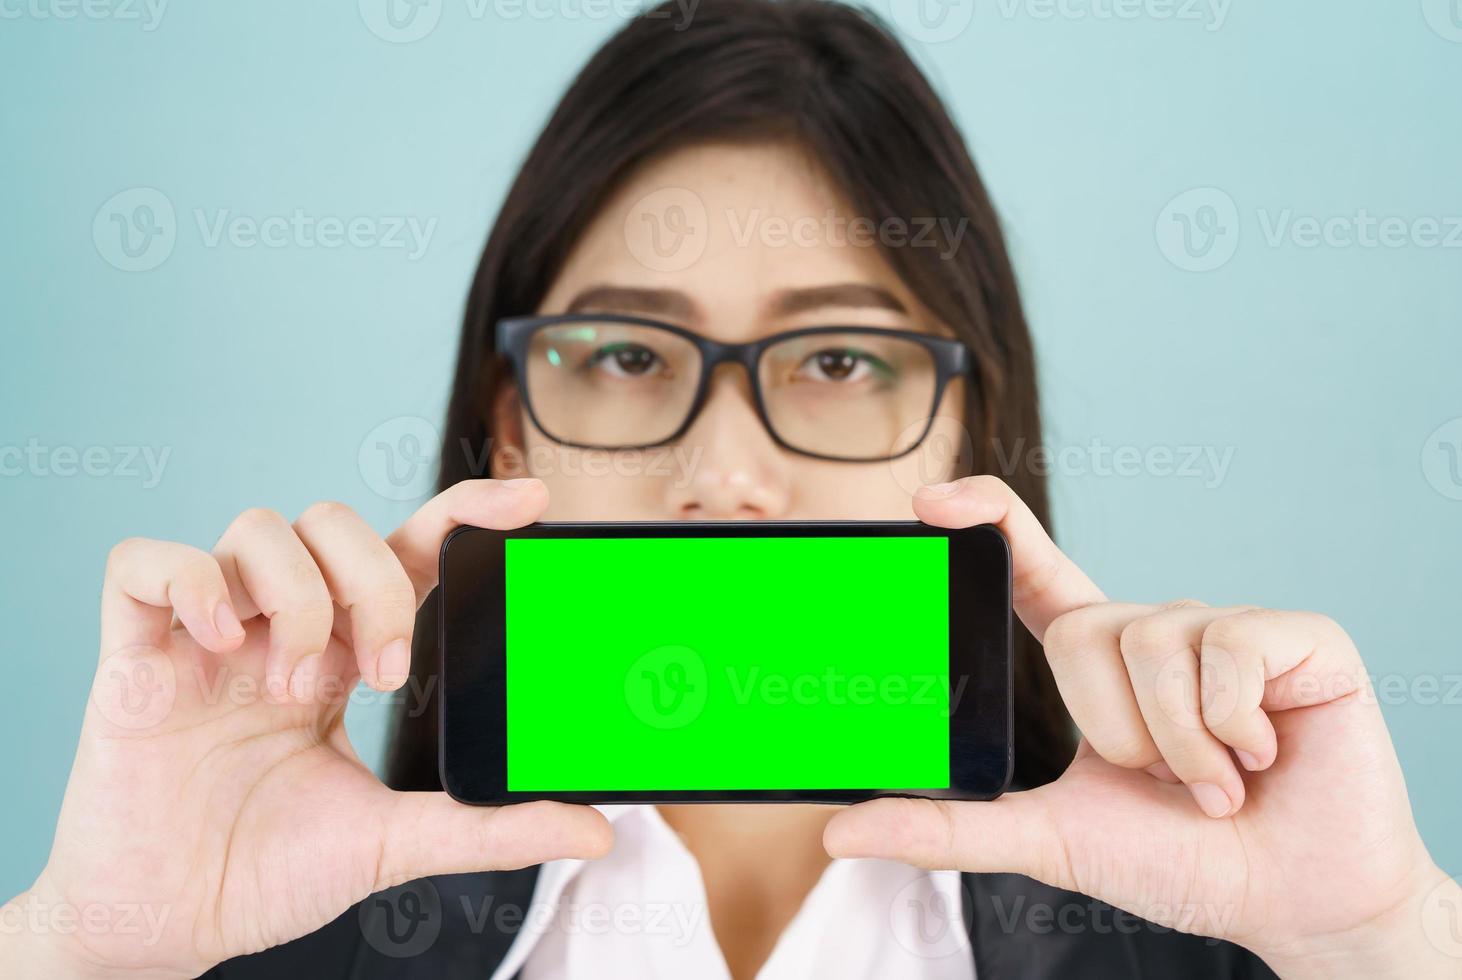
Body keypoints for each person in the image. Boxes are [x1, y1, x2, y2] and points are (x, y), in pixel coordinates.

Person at [3, 1, 1456, 977]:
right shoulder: (264, 934)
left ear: (966, 442)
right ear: (510, 433)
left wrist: (1382, 936)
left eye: (836, 359)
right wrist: (89, 942)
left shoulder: (1213, 944)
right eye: (628, 352)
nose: (725, 477)